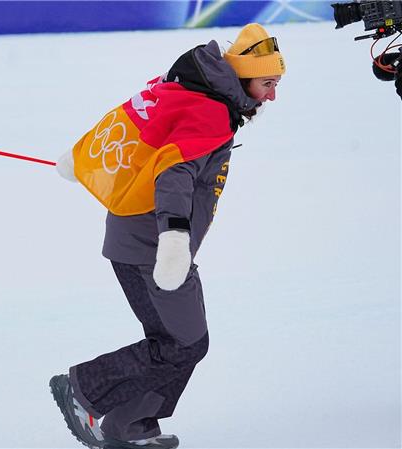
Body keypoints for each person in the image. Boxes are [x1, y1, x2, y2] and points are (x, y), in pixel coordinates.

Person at [50, 23, 285, 449]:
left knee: (183, 342)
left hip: (143, 240)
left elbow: (130, 117)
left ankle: (131, 427)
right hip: (152, 248)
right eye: (267, 83)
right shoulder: (210, 112)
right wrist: (174, 239)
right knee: (183, 343)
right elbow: (173, 176)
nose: (272, 96)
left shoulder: (191, 89)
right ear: (244, 75)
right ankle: (84, 388)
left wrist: (81, 157)